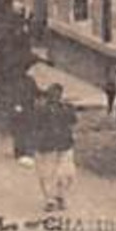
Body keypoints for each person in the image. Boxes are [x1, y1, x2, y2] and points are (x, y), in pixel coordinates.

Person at [35, 83, 78, 211]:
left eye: (57, 94)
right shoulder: (41, 109)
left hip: (64, 143)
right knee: (47, 172)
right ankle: (50, 199)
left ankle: (60, 195)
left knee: (66, 172)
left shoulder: (66, 108)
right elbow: (35, 126)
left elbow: (73, 121)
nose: (55, 97)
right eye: (52, 95)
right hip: (47, 144)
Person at [6, 70, 41, 166]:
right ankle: (21, 151)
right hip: (21, 108)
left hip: (27, 108)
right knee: (21, 130)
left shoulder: (29, 81)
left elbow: (36, 93)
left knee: (25, 130)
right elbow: (12, 95)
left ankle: (24, 151)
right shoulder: (19, 81)